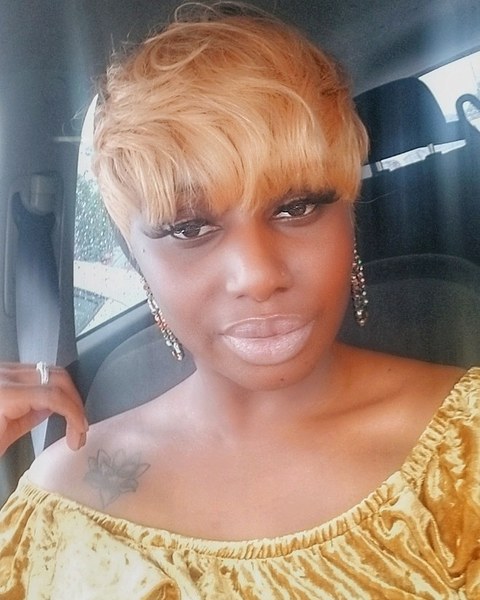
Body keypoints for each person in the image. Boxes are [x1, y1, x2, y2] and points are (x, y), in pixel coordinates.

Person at [1, 3, 480, 598]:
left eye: (298, 207)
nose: (258, 276)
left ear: (350, 216)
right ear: (137, 259)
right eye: (189, 228)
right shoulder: (62, 502)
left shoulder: (466, 450)